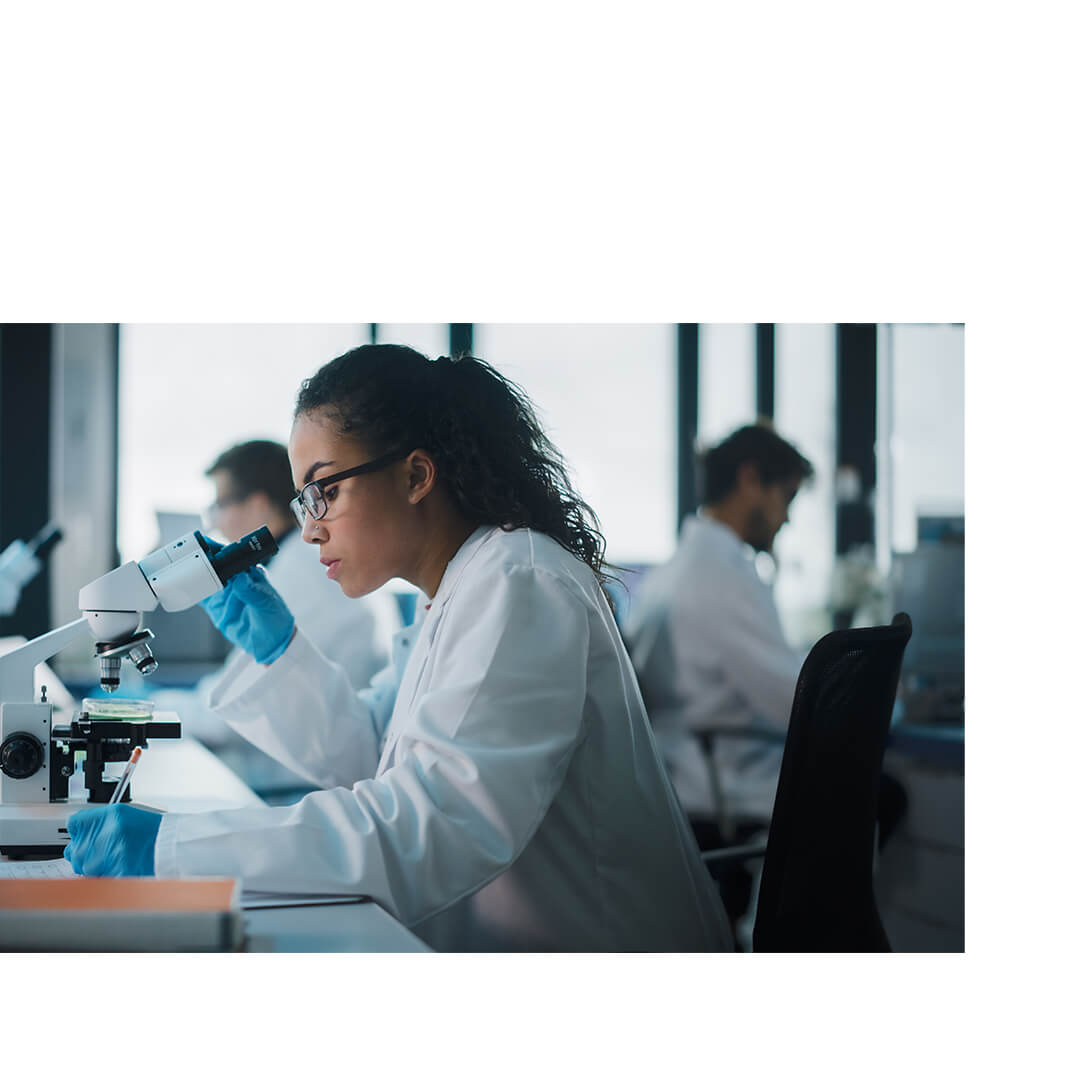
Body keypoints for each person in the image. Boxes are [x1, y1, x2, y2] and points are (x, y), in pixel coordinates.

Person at [64, 345, 732, 952]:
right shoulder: (454, 592)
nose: (311, 529)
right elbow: (373, 757)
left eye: (325, 491)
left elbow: (433, 824)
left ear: (415, 476)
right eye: (303, 502)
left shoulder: (518, 580)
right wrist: (280, 652)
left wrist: (179, 845)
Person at [152, 439, 402, 794]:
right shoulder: (299, 564)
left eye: (220, 504)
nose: (215, 521)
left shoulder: (305, 570)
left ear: (257, 505)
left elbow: (225, 718)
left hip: (295, 783)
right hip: (316, 763)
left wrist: (146, 709)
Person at [624, 424, 813, 843]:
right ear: (750, 480)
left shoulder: (673, 570)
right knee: (881, 794)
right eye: (786, 497)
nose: (786, 518)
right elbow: (795, 700)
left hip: (681, 772)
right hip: (723, 784)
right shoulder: (723, 573)